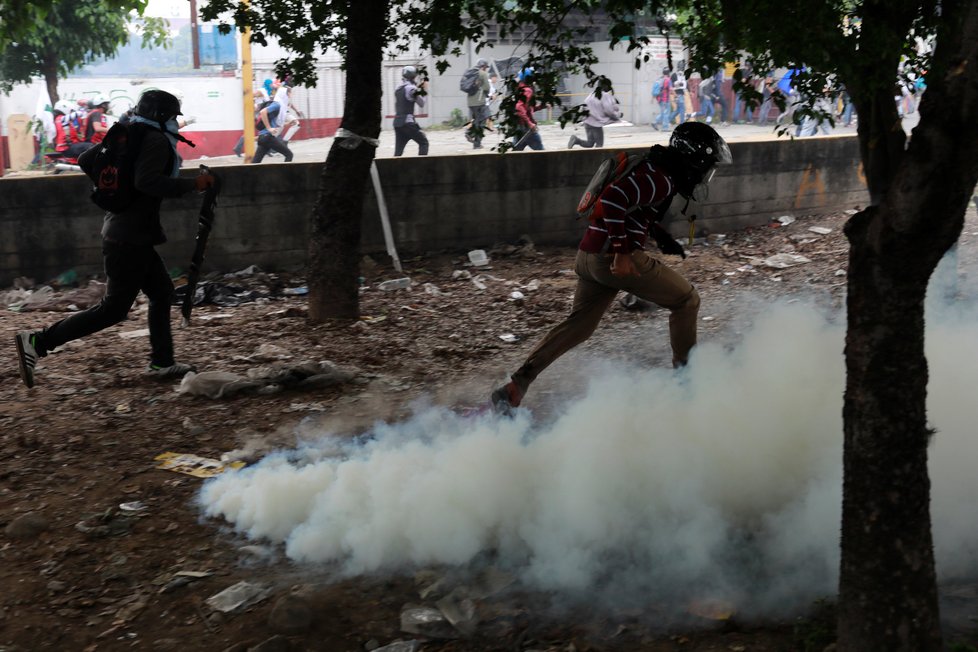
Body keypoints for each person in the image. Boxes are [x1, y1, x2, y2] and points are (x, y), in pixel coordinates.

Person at [489, 122, 732, 413]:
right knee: (687, 300)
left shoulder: (654, 168)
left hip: (589, 256)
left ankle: (516, 385)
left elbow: (631, 207)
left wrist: (656, 237)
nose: (707, 172)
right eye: (708, 164)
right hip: (612, 259)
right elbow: (614, 199)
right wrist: (622, 252)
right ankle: (686, 383)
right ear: (693, 157)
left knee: (579, 325)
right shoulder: (662, 178)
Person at [14, 90, 216, 389]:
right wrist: (194, 185)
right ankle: (38, 342)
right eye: (173, 116)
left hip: (130, 233)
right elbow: (146, 182)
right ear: (162, 116)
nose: (176, 121)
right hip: (128, 238)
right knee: (114, 309)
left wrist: (114, 190)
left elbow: (86, 159)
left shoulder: (130, 133)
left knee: (161, 293)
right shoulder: (156, 140)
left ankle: (162, 361)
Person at [567, 78, 622, 149]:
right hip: (596, 124)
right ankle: (598, 159)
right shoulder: (604, 95)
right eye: (608, 87)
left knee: (590, 143)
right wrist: (618, 115)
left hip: (587, 122)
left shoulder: (591, 94)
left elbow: (585, 106)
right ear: (605, 86)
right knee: (599, 145)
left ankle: (576, 140)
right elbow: (609, 111)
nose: (608, 89)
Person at [393, 66, 429, 157]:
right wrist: (424, 90)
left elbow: (407, 95)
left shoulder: (398, 88)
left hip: (398, 122)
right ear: (413, 76)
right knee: (424, 143)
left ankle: (395, 170)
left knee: (398, 152)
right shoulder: (411, 89)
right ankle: (422, 168)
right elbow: (421, 103)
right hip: (408, 123)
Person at [251, 97, 295, 163]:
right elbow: (263, 112)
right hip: (268, 137)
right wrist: (269, 128)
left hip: (262, 138)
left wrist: (288, 123)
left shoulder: (273, 111)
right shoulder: (277, 104)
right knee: (289, 155)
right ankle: (285, 173)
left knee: (255, 162)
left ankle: (247, 173)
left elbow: (276, 125)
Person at [513, 67, 545, 151]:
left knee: (514, 154)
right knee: (541, 153)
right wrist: (530, 124)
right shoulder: (527, 90)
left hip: (519, 127)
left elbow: (527, 109)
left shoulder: (519, 89)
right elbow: (519, 108)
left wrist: (542, 106)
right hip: (526, 128)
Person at [464, 58, 492, 150]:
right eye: (486, 67)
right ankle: (471, 135)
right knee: (481, 122)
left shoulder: (470, 72)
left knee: (477, 121)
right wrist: (487, 94)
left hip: (470, 102)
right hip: (480, 102)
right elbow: (487, 87)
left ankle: (476, 142)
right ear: (483, 66)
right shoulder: (483, 74)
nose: (486, 69)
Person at [653, 67, 673, 132]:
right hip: (665, 99)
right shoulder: (668, 80)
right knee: (666, 113)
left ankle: (655, 122)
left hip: (659, 99)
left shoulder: (660, 79)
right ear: (668, 73)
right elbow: (670, 89)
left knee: (663, 113)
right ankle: (665, 128)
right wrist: (675, 95)